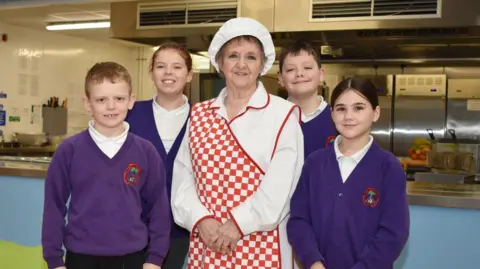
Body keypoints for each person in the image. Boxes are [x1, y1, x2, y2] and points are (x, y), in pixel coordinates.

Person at [171, 17, 304, 268]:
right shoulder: (200, 114)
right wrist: (202, 221)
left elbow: (282, 187)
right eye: (233, 55)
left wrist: (237, 225)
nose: (241, 64)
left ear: (263, 64)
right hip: (206, 243)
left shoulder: (283, 114)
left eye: (251, 57)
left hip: (261, 243)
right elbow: (182, 179)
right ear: (219, 62)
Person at [41, 62, 171, 269]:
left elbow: (159, 208)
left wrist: (155, 259)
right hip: (81, 258)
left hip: (132, 258)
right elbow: (54, 207)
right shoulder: (69, 151)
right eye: (101, 100)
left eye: (119, 99)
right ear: (87, 104)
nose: (111, 107)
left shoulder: (146, 152)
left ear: (131, 101)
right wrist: (54, 260)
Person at [286, 76, 410, 269]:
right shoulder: (315, 163)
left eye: (359, 108)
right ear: (332, 114)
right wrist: (313, 262)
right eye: (341, 108)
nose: (348, 116)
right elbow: (299, 220)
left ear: (375, 113)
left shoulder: (388, 167)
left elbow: (393, 233)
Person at [126, 43, 193, 269]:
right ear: (151, 73)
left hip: (181, 229)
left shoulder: (203, 118)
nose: (168, 73)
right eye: (161, 66)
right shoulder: (131, 114)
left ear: (189, 74)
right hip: (133, 226)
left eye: (177, 67)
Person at [278, 40, 337, 158]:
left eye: (307, 67)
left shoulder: (337, 118)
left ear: (321, 74)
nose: (299, 73)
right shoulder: (272, 118)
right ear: (280, 79)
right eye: (290, 69)